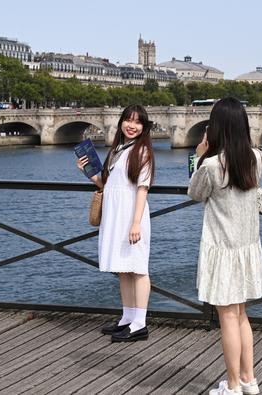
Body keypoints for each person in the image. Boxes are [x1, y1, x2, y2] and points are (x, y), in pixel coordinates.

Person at [188, 97, 262, 395]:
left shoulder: (211, 165)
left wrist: (197, 156)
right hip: (247, 246)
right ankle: (249, 379)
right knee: (241, 314)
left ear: (216, 128)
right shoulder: (256, 158)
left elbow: (195, 193)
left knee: (227, 317)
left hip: (221, 248)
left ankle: (232, 386)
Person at [76, 104, 155, 342]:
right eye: (128, 120)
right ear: (121, 122)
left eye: (137, 122)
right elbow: (108, 184)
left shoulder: (142, 152)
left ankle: (140, 323)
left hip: (132, 215)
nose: (132, 126)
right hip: (116, 215)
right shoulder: (118, 149)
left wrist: (136, 223)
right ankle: (127, 318)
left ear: (144, 127)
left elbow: (142, 189)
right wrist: (88, 174)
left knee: (138, 269)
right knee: (123, 269)